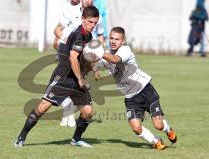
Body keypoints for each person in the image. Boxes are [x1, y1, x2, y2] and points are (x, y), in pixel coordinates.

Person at [14, 6, 100, 148]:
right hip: (63, 78)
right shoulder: (78, 34)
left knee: (88, 112)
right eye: (90, 22)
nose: (93, 25)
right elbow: (73, 58)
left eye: (95, 23)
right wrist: (80, 79)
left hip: (76, 79)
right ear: (83, 18)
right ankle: (21, 138)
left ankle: (76, 139)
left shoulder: (88, 36)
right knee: (42, 108)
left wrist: (93, 68)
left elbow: (83, 59)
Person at [93, 27, 177, 150]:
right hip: (131, 98)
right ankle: (156, 141)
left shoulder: (125, 50)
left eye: (117, 39)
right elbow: (97, 65)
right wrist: (96, 69)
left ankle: (168, 130)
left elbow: (115, 60)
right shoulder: (107, 54)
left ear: (122, 40)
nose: (113, 41)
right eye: (111, 38)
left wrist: (98, 53)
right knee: (136, 127)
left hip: (145, 90)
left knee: (158, 125)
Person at [53, 0, 105, 127]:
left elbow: (100, 38)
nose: (88, 0)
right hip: (68, 51)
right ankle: (68, 108)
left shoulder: (97, 16)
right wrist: (65, 41)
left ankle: (69, 108)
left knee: (79, 81)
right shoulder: (71, 10)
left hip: (84, 52)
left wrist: (98, 61)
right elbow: (57, 30)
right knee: (70, 80)